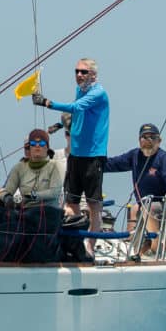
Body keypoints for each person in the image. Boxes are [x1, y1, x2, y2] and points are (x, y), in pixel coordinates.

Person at [33, 58, 109, 252]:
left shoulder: (98, 93)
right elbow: (77, 112)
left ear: (93, 74)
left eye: (84, 72)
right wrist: (60, 125)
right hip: (75, 155)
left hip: (93, 156)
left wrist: (47, 103)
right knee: (71, 201)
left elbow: (77, 107)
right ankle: (74, 247)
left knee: (94, 205)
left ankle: (91, 246)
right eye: (76, 71)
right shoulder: (80, 91)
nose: (79, 75)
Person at [104, 123, 166, 250]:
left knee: (147, 207)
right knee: (134, 208)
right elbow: (113, 164)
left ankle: (156, 246)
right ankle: (133, 246)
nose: (148, 141)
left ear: (159, 141)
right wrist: (94, 165)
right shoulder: (135, 156)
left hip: (163, 204)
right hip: (142, 203)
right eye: (144, 137)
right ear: (139, 140)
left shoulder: (164, 157)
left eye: (152, 137)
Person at [0, 129, 64, 208]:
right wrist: (7, 197)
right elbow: (6, 190)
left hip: (49, 213)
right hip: (25, 214)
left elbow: (54, 192)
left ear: (47, 147)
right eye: (32, 144)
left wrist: (31, 196)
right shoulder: (19, 168)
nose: (37, 146)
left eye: (41, 143)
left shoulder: (55, 165)